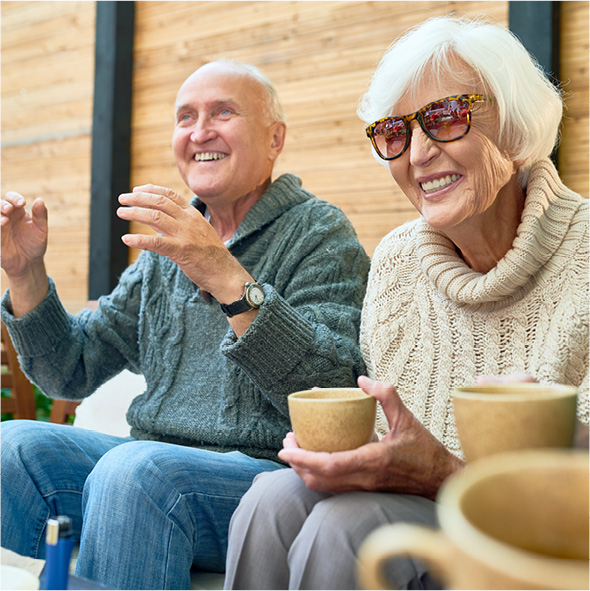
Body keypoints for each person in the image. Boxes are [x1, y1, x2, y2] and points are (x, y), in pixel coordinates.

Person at [224, 15, 589, 590]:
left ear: (515, 124)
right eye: (395, 132)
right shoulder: (397, 262)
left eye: (446, 118)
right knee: (271, 496)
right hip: (424, 507)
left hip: (541, 549)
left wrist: (441, 473)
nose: (418, 153)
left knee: (347, 526)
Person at [0, 60, 371, 590]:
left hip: (266, 477)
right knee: (11, 449)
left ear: (274, 139)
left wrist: (225, 275)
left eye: (223, 112)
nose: (200, 132)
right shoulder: (164, 252)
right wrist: (25, 273)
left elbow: (334, 387)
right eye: (185, 117)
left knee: (136, 474)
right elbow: (71, 370)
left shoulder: (319, 232)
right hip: (150, 464)